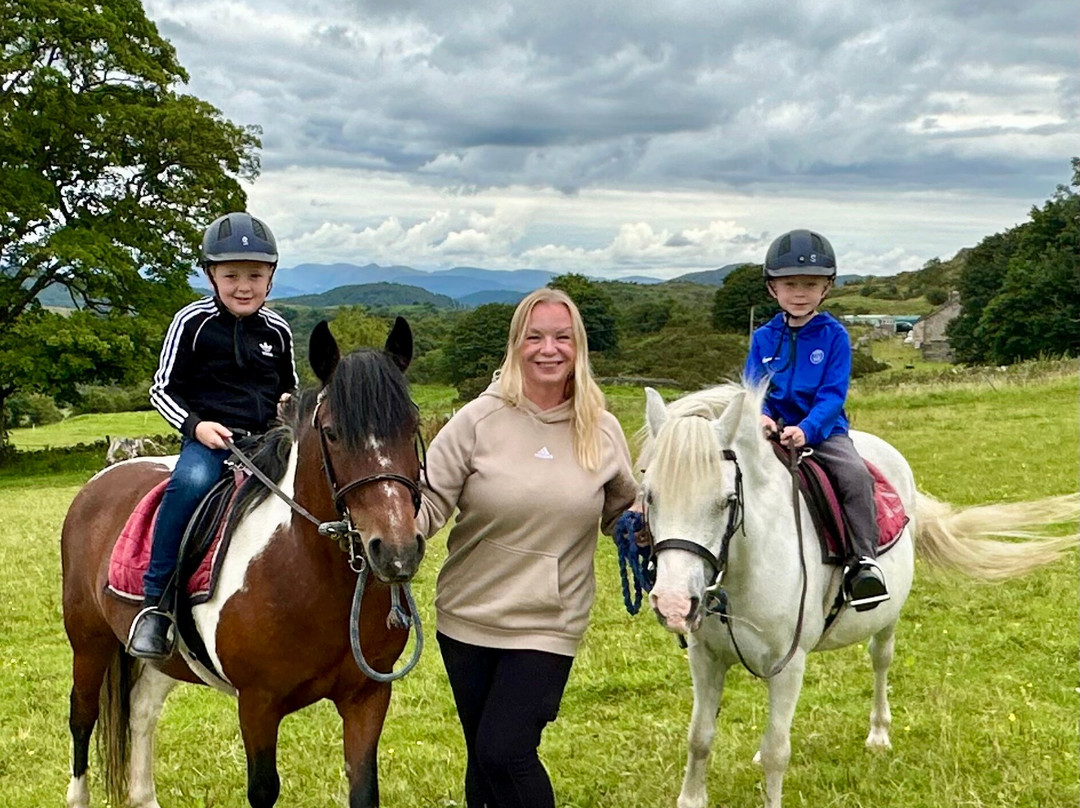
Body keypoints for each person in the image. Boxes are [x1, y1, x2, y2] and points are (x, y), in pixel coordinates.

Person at [417, 288, 639, 808]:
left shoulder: (601, 430)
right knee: (481, 759)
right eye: (535, 337)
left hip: (549, 622)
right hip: (468, 616)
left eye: (562, 337)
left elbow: (622, 515)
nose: (549, 349)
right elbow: (427, 507)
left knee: (505, 752)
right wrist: (377, 527)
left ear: (579, 347)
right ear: (516, 344)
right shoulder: (476, 421)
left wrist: (651, 525)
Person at [127, 211, 299, 659]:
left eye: (255, 275)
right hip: (212, 442)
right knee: (190, 484)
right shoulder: (191, 322)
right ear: (211, 276)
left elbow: (289, 388)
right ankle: (157, 604)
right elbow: (162, 389)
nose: (244, 286)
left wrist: (288, 407)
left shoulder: (278, 330)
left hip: (268, 443)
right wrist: (196, 427)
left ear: (270, 278)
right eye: (231, 275)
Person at [744, 229, 889, 612]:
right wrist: (761, 417)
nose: (799, 293)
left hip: (823, 433)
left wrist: (806, 429)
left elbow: (832, 394)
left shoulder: (834, 336)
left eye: (810, 284)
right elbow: (753, 388)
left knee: (855, 476)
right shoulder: (762, 338)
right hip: (769, 431)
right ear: (772, 288)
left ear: (826, 288)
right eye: (790, 284)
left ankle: (863, 562)